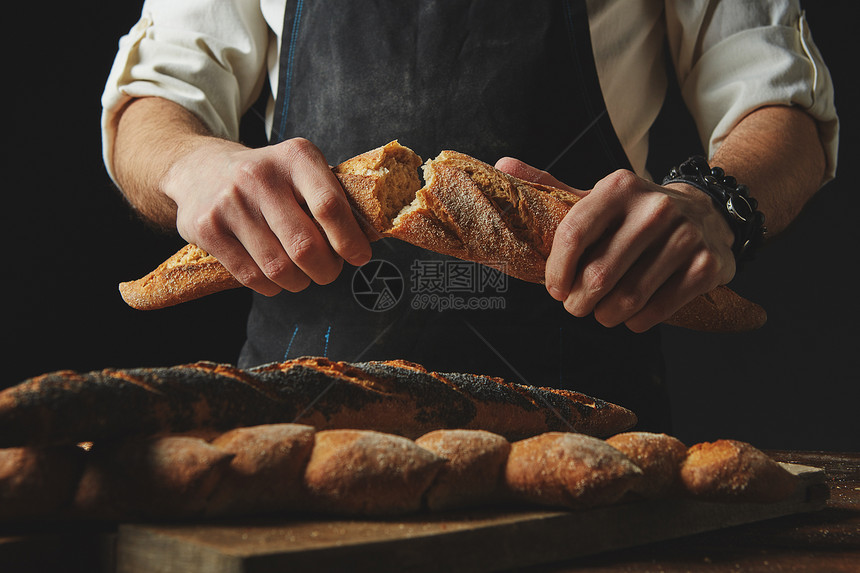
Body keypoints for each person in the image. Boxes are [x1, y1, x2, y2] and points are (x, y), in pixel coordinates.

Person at [102, 0, 837, 432]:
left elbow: (784, 107)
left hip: (584, 435)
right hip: (299, 425)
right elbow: (153, 103)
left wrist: (711, 203)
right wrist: (190, 164)